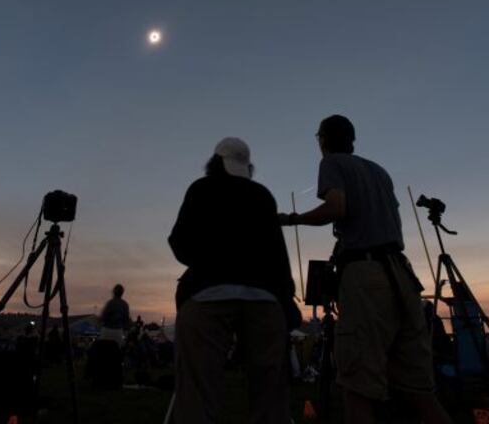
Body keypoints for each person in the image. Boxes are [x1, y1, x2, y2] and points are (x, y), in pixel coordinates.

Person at [282, 115, 450, 424]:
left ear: (322, 140)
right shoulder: (379, 171)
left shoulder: (331, 163)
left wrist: (293, 219)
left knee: (357, 387)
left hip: (366, 277)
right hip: (402, 277)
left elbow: (337, 207)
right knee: (419, 391)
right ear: (352, 139)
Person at [170, 137, 299, 424]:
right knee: (270, 395)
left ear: (214, 162)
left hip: (207, 295)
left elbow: (179, 242)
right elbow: (279, 255)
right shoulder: (262, 195)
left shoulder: (201, 188)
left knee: (198, 391)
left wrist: (209, 260)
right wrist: (287, 299)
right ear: (247, 167)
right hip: (265, 299)